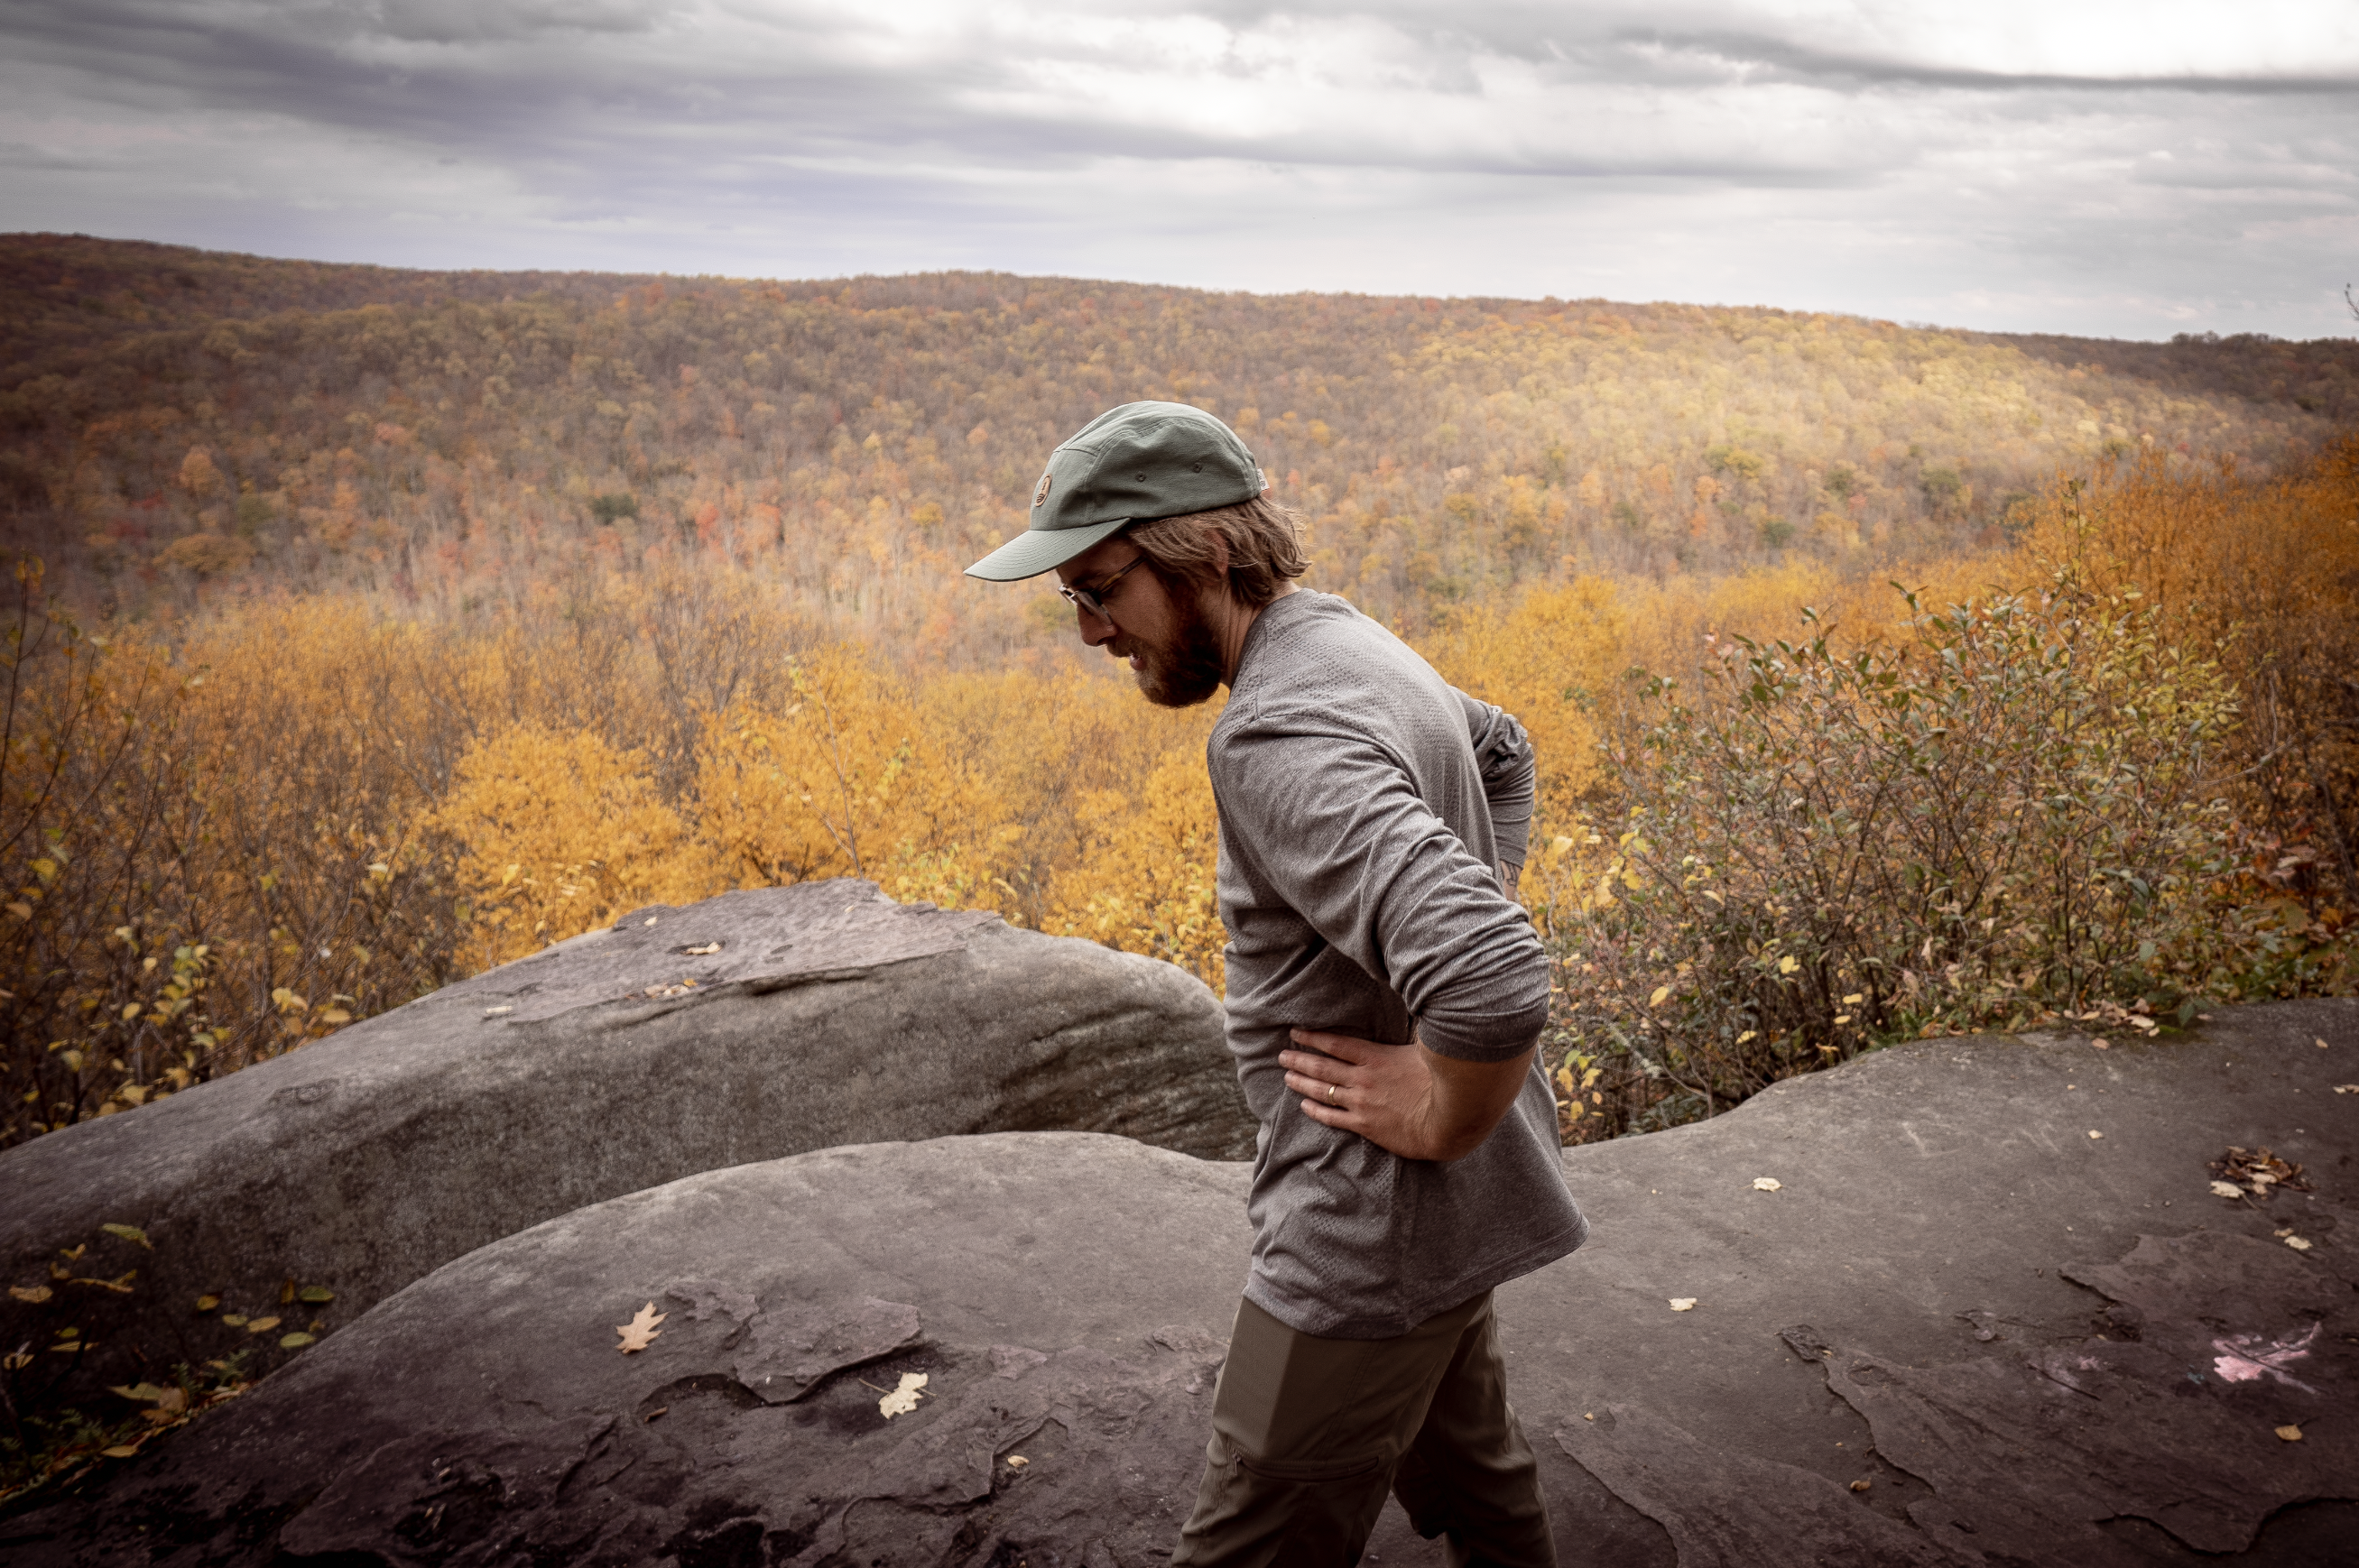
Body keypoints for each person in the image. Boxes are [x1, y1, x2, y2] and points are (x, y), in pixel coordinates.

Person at [967, 401, 1587, 1567]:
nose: (1092, 630)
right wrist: (1453, 916)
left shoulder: (1274, 731)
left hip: (1361, 1233)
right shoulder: (1347, 643)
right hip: (1437, 1220)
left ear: (1198, 553)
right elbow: (1500, 747)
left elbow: (1494, 973)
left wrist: (1441, 1104)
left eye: (1099, 586)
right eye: (1074, 600)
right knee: (1475, 1472)